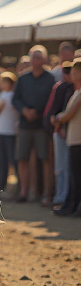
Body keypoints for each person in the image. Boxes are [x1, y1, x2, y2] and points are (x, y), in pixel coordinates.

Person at [12, 45, 56, 203]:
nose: (36, 61)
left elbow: (53, 101)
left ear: (44, 59)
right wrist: (24, 110)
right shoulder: (23, 78)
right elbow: (15, 99)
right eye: (34, 57)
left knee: (45, 158)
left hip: (41, 125)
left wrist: (40, 112)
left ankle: (46, 193)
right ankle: (24, 191)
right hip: (25, 124)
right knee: (22, 158)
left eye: (39, 57)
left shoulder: (50, 78)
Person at [46, 60, 75, 207]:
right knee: (61, 168)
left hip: (74, 133)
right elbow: (54, 113)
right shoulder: (61, 88)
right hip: (61, 132)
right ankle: (60, 197)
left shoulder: (76, 90)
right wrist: (59, 126)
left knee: (72, 169)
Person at [53, 63, 81, 216]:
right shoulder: (76, 92)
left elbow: (68, 114)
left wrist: (58, 118)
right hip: (74, 140)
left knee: (76, 177)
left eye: (76, 72)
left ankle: (74, 206)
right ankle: (72, 205)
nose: (73, 74)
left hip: (78, 141)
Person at [0, 72, 18, 193]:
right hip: (0, 131)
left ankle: (16, 186)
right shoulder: (1, 95)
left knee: (13, 160)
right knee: (1, 160)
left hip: (11, 132)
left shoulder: (14, 96)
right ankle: (1, 185)